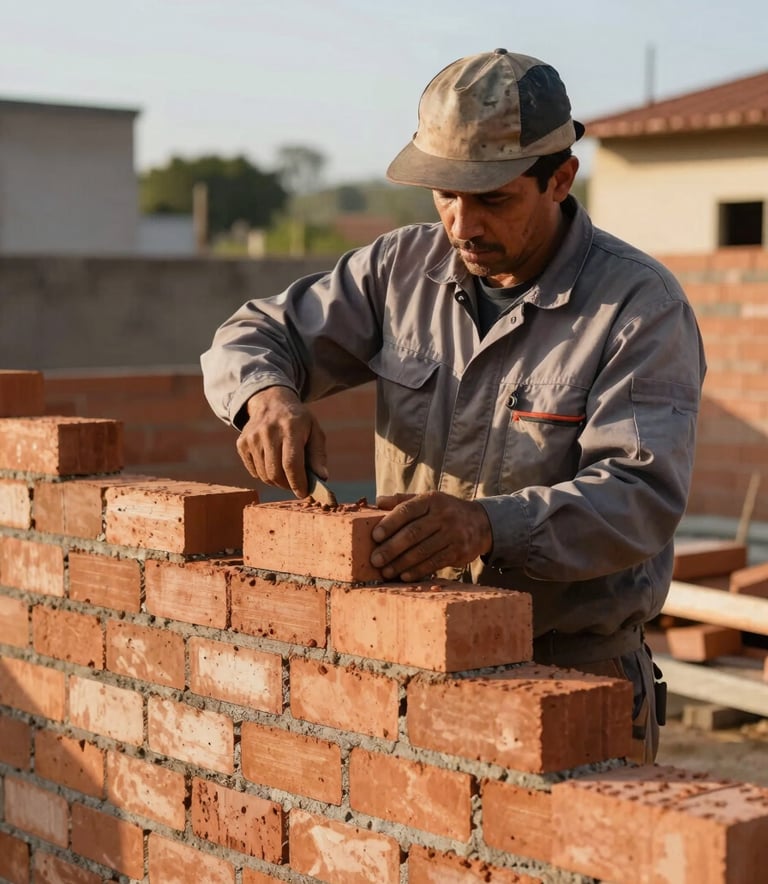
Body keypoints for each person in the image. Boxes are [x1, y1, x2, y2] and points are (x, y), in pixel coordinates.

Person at [201, 48, 706, 763]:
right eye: (443, 194)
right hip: (408, 657)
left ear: (559, 179)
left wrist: (488, 525)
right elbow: (256, 332)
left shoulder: (636, 310)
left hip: (568, 673)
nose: (461, 224)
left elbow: (639, 497)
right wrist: (265, 396)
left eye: (492, 198)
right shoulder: (398, 271)